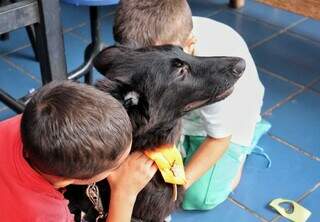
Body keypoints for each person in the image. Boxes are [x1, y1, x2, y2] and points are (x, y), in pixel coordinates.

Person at [113, 0, 271, 210]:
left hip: (221, 129)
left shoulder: (217, 73)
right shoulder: (145, 39)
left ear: (190, 45)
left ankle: (243, 148)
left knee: (195, 198)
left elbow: (219, 140)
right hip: (178, 111)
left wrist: (176, 190)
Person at [0, 81, 157, 222]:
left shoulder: (30, 122)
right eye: (115, 167)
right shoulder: (47, 215)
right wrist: (124, 194)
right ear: (64, 181)